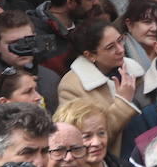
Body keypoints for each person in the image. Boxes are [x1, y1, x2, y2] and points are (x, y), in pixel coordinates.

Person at [59, 20, 144, 158]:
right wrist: (123, 103)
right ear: (90, 55)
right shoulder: (72, 86)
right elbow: (84, 141)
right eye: (111, 47)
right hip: (114, 163)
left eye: (120, 40)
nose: (121, 49)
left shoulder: (134, 71)